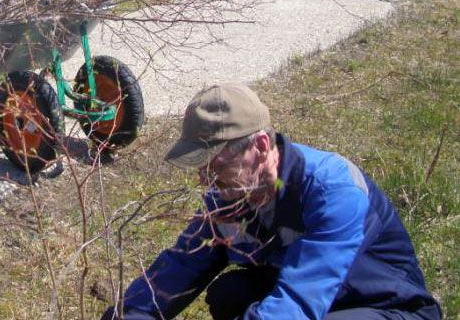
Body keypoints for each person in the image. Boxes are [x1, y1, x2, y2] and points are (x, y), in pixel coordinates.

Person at [103, 83, 442, 320]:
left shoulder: (333, 191)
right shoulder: (227, 194)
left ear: (261, 147)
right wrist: (129, 314)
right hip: (306, 295)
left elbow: (297, 302)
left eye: (217, 166)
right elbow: (180, 266)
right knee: (230, 294)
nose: (206, 182)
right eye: (200, 169)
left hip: (382, 306)